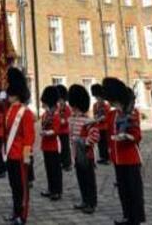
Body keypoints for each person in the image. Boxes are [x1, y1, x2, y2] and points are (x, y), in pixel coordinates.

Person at [103, 77, 145, 225]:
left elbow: (137, 135)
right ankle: (127, 216)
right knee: (123, 190)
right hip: (117, 157)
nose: (113, 104)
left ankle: (136, 219)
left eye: (114, 101)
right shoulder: (112, 115)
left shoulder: (132, 113)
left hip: (130, 157)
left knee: (134, 190)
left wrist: (127, 136)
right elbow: (108, 133)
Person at [3, 67, 35, 225]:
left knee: (22, 189)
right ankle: (15, 212)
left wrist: (27, 157)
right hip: (10, 154)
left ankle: (22, 216)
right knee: (14, 186)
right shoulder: (10, 110)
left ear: (15, 93)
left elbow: (29, 138)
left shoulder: (26, 113)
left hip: (20, 156)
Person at [68, 84, 99, 215]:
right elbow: (71, 136)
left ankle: (91, 203)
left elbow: (95, 136)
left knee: (89, 180)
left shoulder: (88, 121)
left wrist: (83, 142)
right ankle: (84, 200)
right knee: (81, 179)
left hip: (87, 155)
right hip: (76, 155)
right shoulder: (73, 119)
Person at [38, 86, 62, 201]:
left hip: (53, 145)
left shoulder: (56, 115)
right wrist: (44, 132)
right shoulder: (46, 115)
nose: (44, 105)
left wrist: (46, 133)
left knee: (55, 169)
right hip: (46, 145)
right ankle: (51, 188)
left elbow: (56, 130)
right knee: (48, 169)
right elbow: (44, 125)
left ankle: (57, 191)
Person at [90, 84, 111, 165]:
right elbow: (95, 114)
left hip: (105, 127)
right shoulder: (95, 105)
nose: (97, 99)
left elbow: (107, 116)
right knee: (100, 143)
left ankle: (107, 158)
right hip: (98, 127)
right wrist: (95, 118)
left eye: (98, 97)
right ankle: (102, 157)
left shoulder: (106, 105)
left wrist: (100, 119)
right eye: (96, 97)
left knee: (105, 143)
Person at [55, 84, 72, 172]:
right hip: (58, 131)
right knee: (60, 148)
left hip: (65, 131)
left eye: (61, 100)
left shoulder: (67, 108)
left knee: (66, 148)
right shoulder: (58, 108)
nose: (60, 101)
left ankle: (67, 164)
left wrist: (63, 121)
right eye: (59, 100)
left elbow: (68, 119)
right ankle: (61, 162)